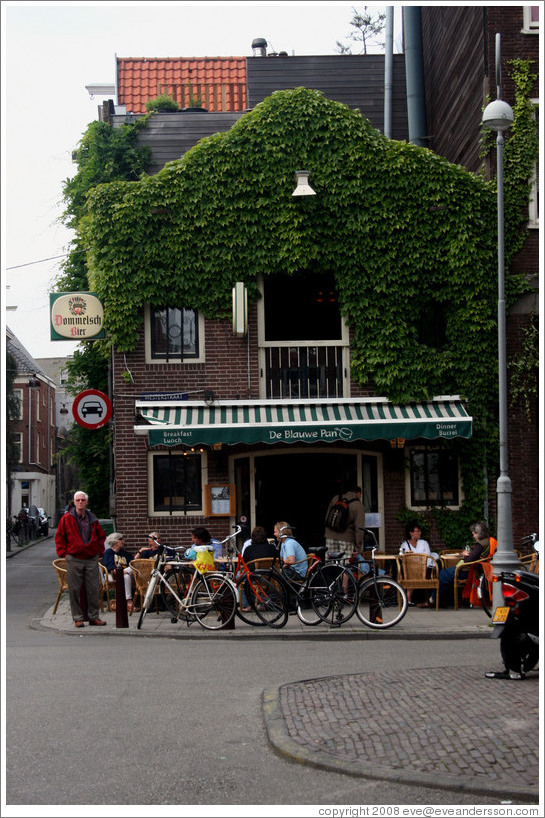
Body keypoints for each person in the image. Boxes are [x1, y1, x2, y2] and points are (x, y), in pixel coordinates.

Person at [55, 490, 106, 627]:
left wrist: (98, 551)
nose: (80, 502)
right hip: (74, 558)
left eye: (82, 500)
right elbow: (60, 537)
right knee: (74, 589)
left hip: (91, 558)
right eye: (78, 500)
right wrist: (64, 554)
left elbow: (101, 536)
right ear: (74, 502)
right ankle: (78, 618)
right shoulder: (66, 518)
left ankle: (93, 617)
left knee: (94, 588)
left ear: (86, 502)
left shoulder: (92, 518)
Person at [434, 520, 495, 608]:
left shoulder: (480, 544)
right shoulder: (490, 541)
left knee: (443, 574)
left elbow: (469, 561)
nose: (473, 536)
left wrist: (465, 555)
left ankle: (435, 600)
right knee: (446, 576)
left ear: (478, 534)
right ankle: (442, 600)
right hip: (482, 570)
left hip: (471, 571)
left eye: (473, 534)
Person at [239, 526, 278, 612]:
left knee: (239, 575)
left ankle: (246, 605)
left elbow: (244, 564)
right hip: (270, 577)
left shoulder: (248, 549)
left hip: (254, 578)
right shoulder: (272, 548)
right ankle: (264, 603)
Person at [399, 521, 438, 607]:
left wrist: (415, 559)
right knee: (409, 569)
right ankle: (408, 597)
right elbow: (403, 557)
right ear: (411, 533)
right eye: (417, 531)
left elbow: (427, 556)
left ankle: (408, 597)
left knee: (412, 570)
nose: (420, 533)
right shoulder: (404, 545)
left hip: (424, 568)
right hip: (410, 569)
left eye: (419, 531)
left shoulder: (424, 543)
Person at [324, 484, 366, 556]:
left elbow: (327, 518)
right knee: (345, 564)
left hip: (330, 536)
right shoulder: (358, 505)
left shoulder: (336, 498)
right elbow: (359, 528)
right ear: (358, 493)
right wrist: (358, 547)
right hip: (347, 539)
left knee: (330, 564)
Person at [102, 532, 134, 610]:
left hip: (125, 573)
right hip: (113, 575)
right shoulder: (108, 553)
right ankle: (129, 602)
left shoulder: (123, 552)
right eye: (120, 539)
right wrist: (118, 571)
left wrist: (140, 552)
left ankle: (128, 602)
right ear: (115, 541)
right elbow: (108, 565)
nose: (123, 541)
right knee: (126, 576)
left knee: (130, 571)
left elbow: (132, 561)